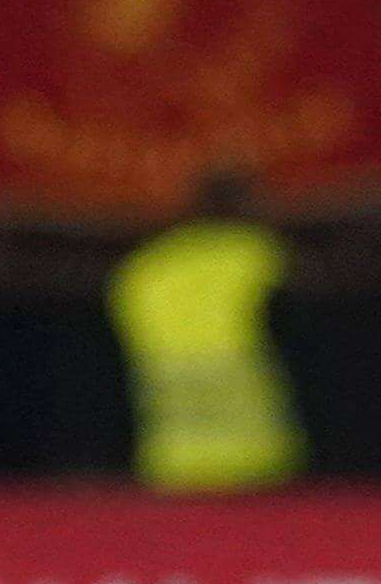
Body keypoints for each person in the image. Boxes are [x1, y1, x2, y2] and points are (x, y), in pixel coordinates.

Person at [112, 168, 300, 493]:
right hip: (257, 464)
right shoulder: (256, 254)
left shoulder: (145, 266)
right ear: (244, 205)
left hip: (172, 463)